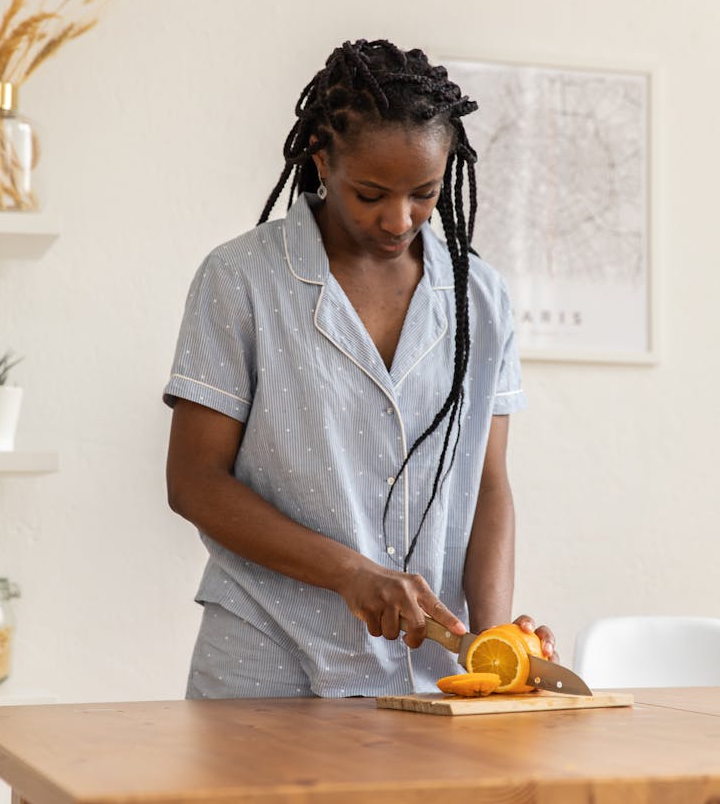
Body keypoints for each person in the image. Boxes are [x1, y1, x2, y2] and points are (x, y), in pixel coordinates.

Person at [164, 38, 555, 699]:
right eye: (371, 193)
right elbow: (194, 480)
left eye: (425, 193)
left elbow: (488, 483)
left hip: (431, 674)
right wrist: (352, 572)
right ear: (321, 156)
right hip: (265, 662)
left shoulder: (479, 297)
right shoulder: (239, 279)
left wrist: (492, 642)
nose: (398, 218)